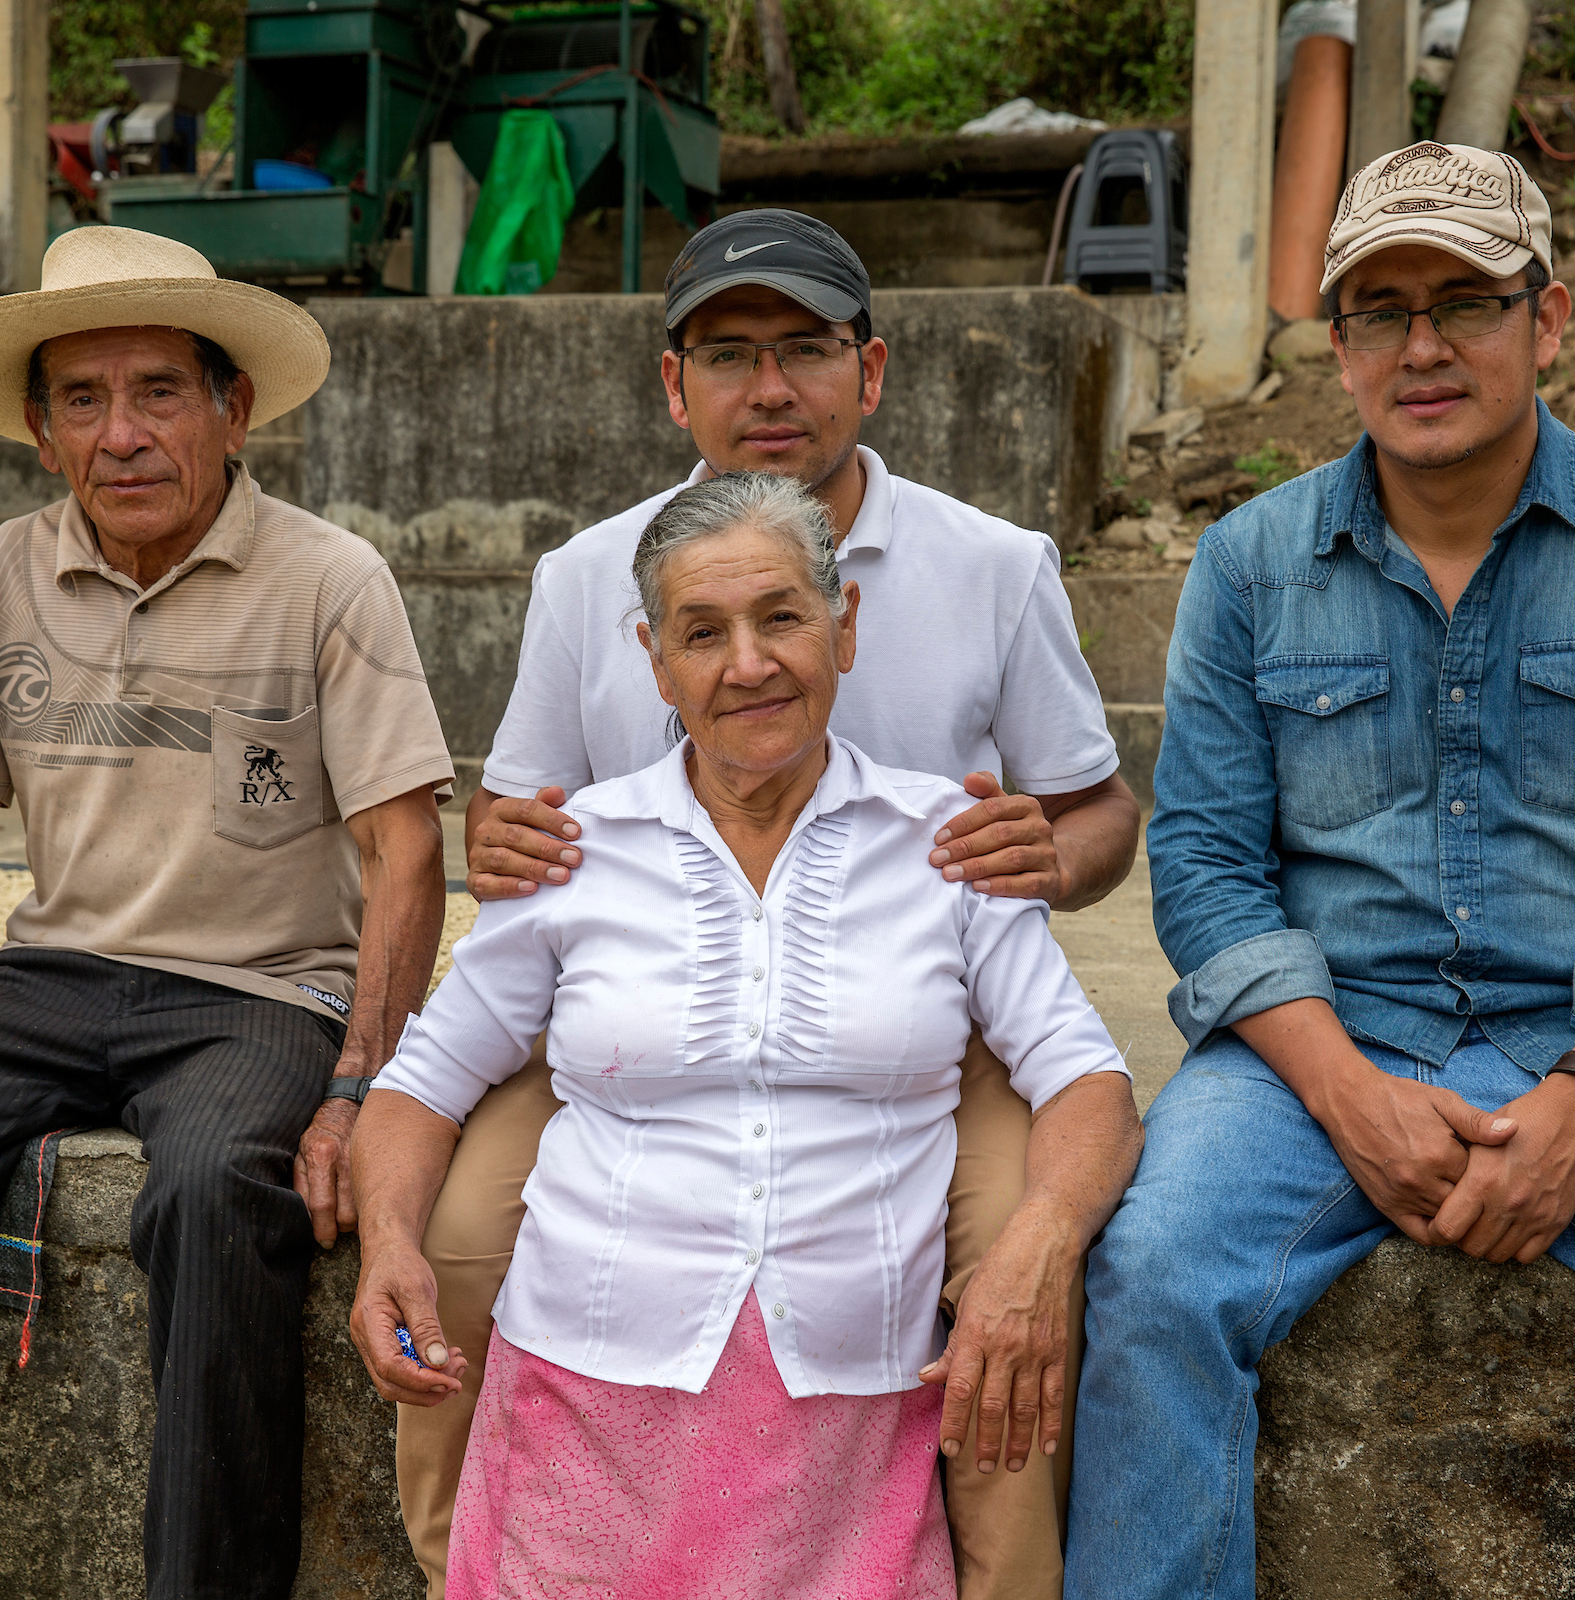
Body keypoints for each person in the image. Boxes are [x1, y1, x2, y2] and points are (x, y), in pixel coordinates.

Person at [1069, 143, 1575, 1598]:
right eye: (1379, 310)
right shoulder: (1251, 563)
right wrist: (1345, 1093)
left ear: (1551, 317)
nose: (1424, 346)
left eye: (1465, 299)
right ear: (1338, 346)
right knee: (1148, 1281)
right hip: (1313, 1053)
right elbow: (1203, 864)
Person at [399, 209, 1142, 1598]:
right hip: (633, 1012)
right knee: (446, 1241)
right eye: (728, 355)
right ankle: (474, 1559)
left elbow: (1096, 810)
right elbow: (520, 826)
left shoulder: (993, 565)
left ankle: (1004, 1579)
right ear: (673, 385)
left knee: (1015, 1270)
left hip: (930, 1015)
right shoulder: (589, 579)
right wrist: (498, 851)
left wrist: (1045, 858)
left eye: (805, 349)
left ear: (872, 369)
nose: (770, 388)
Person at [0, 227, 456, 1599]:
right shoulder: (1, 575)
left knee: (210, 1191)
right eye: (83, 399)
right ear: (39, 430)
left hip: (262, 990)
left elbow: (405, 847)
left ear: (233, 407)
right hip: (51, 978)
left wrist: (361, 1085)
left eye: (160, 392)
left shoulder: (328, 577)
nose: (123, 434)